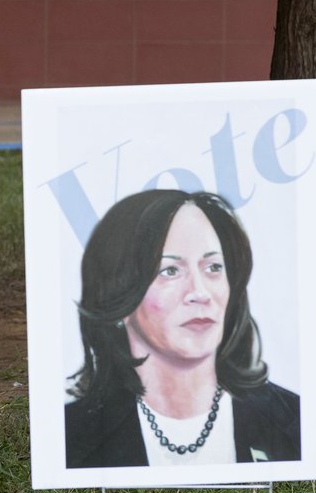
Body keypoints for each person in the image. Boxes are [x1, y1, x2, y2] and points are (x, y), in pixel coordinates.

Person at [64, 189, 301, 469]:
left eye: (213, 267)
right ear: (118, 293)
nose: (199, 293)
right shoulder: (71, 436)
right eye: (170, 271)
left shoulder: (293, 419)